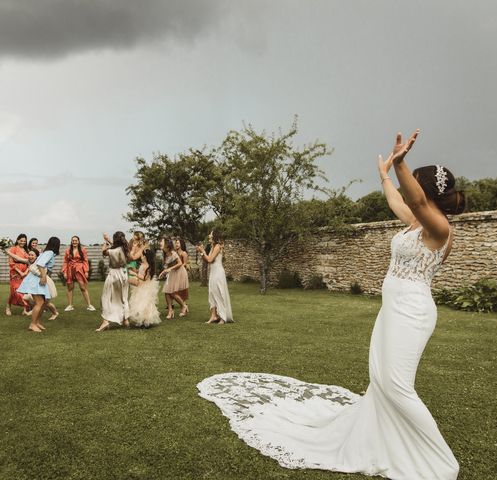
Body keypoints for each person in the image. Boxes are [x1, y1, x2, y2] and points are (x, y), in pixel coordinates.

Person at [197, 130, 464, 480]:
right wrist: (386, 174)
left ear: (426, 192)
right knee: (380, 380)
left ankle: (439, 460)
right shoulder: (416, 223)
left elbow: (413, 202)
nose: (409, 189)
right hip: (393, 310)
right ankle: (386, 441)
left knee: (397, 385)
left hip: (412, 312)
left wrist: (401, 164)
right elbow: (400, 203)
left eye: (413, 184)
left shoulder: (439, 227)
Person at [17, 236, 61, 333]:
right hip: (36, 279)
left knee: (43, 302)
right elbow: (40, 264)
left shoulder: (48, 252)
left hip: (37, 278)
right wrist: (44, 277)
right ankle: (32, 324)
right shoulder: (49, 253)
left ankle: (37, 322)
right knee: (39, 303)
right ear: (56, 245)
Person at [95, 231, 130, 332]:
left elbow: (104, 252)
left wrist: (105, 243)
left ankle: (105, 322)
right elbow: (117, 246)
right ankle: (126, 320)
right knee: (123, 297)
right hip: (123, 273)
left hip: (114, 274)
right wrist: (109, 240)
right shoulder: (125, 248)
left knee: (106, 298)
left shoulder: (112, 250)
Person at [196, 230, 233, 324]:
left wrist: (202, 251)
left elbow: (210, 259)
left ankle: (223, 317)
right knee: (211, 293)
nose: (209, 235)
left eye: (211, 234)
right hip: (213, 273)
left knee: (219, 293)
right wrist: (202, 253)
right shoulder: (212, 247)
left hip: (218, 273)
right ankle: (213, 316)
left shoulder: (217, 246)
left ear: (214, 236)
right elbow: (207, 260)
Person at [127, 248, 161, 328]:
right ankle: (141, 320)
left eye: (142, 255)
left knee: (144, 303)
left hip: (145, 287)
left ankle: (146, 320)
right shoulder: (142, 265)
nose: (140, 256)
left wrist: (134, 274)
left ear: (145, 257)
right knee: (138, 302)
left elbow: (144, 278)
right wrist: (134, 271)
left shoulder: (148, 267)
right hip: (140, 286)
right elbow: (140, 274)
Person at [22, 249, 59, 321]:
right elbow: (18, 258)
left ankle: (55, 313)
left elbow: (45, 271)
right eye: (29, 255)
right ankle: (35, 314)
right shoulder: (29, 262)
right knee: (27, 298)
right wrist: (8, 253)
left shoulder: (40, 263)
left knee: (45, 302)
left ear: (37, 257)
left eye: (32, 255)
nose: (30, 256)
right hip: (35, 284)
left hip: (42, 283)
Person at [62, 235, 95, 312]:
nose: (74, 242)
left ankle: (89, 305)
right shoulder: (68, 250)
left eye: (76, 240)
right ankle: (70, 305)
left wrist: (86, 271)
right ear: (71, 241)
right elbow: (65, 261)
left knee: (83, 287)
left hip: (79, 269)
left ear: (78, 241)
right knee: (70, 288)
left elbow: (85, 261)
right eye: (73, 240)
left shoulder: (83, 250)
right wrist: (64, 272)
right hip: (70, 269)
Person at [158, 238, 188, 319]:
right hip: (172, 273)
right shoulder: (165, 254)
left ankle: (184, 306)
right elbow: (167, 267)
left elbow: (180, 263)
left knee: (171, 292)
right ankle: (170, 310)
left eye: (162, 242)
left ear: (167, 245)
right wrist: (162, 273)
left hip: (179, 272)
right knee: (167, 291)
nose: (160, 243)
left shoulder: (173, 253)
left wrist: (169, 269)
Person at [4, 233, 30, 316]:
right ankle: (8, 307)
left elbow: (30, 262)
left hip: (25, 273)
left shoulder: (27, 251)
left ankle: (25, 309)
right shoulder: (13, 249)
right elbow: (11, 263)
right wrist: (20, 272)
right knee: (14, 291)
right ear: (17, 240)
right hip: (15, 273)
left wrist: (25, 272)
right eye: (21, 240)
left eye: (24, 241)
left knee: (24, 291)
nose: (23, 242)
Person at [172, 237, 190, 316]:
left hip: (182, 273)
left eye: (178, 243)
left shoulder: (183, 253)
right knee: (175, 291)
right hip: (175, 272)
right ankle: (184, 306)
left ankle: (184, 308)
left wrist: (178, 267)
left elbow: (185, 264)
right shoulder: (174, 253)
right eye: (175, 243)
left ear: (181, 244)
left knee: (180, 291)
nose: (176, 244)